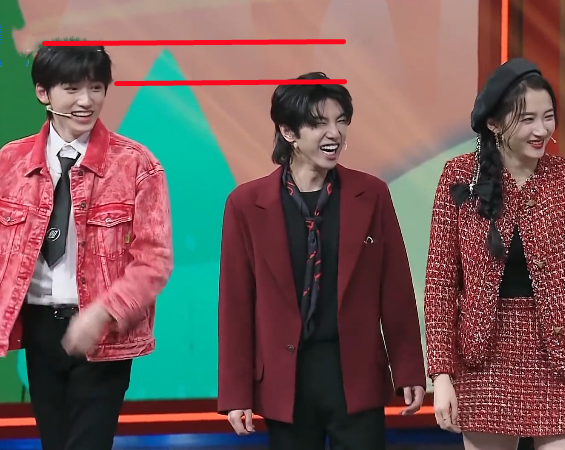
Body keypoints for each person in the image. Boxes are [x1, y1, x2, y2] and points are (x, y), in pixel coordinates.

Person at [217, 71, 426, 450]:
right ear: (288, 132)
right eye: (318, 124)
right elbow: (236, 305)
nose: (335, 134)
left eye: (341, 121)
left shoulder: (371, 194)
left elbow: (395, 288)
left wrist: (409, 368)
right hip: (285, 379)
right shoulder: (246, 205)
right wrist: (235, 391)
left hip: (355, 372)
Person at [0, 42, 174, 450]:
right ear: (43, 92)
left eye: (96, 88)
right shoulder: (9, 162)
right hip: (39, 330)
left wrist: (103, 313)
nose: (86, 100)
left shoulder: (136, 164)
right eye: (72, 88)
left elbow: (154, 259)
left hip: (104, 335)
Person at [424, 57, 565, 450]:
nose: (541, 130)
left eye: (548, 117)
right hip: (484, 360)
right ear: (493, 123)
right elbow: (440, 285)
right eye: (527, 119)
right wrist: (442, 375)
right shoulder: (460, 177)